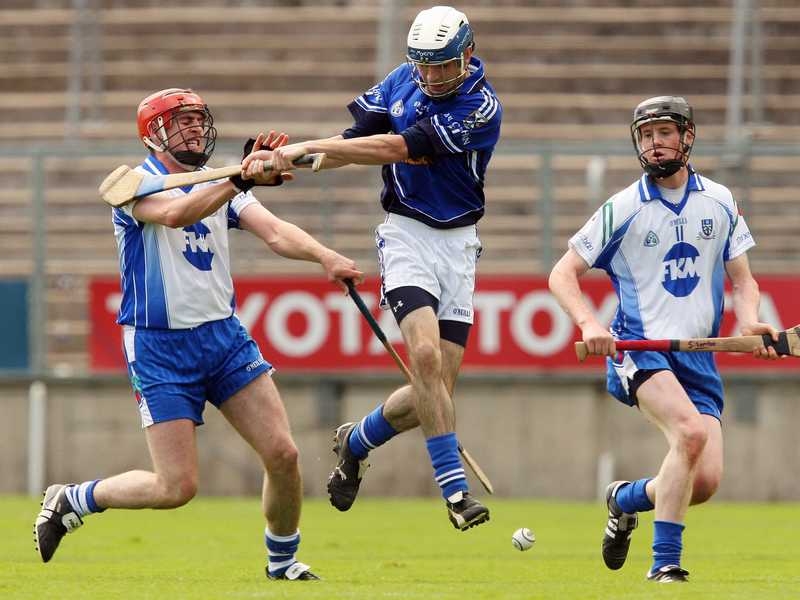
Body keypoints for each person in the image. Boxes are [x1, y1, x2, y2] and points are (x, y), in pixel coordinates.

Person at [33, 88, 364, 581]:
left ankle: (283, 563)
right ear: (153, 135)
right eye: (179, 122)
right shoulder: (135, 185)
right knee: (176, 487)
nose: (192, 128)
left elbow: (275, 232)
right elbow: (174, 214)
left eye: (196, 119)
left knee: (283, 454)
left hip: (224, 340)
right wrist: (240, 176)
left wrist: (326, 257)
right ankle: (75, 498)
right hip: (158, 347)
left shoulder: (222, 184)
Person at [242, 5, 501, 531]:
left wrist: (304, 150)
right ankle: (455, 495)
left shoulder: (481, 106)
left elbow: (396, 147)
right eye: (423, 66)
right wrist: (288, 161)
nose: (430, 77)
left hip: (459, 247)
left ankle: (355, 441)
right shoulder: (401, 83)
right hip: (406, 235)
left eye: (443, 66)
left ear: (467, 56)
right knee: (423, 356)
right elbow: (352, 142)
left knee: (434, 395)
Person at [548, 95, 780, 583]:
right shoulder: (623, 208)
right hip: (641, 351)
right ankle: (665, 565)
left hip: (698, 360)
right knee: (690, 435)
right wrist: (589, 324)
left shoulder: (718, 201)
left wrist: (750, 320)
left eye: (664, 133)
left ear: (687, 137)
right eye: (647, 136)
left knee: (706, 480)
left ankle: (625, 499)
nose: (655, 145)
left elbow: (743, 280)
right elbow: (563, 273)